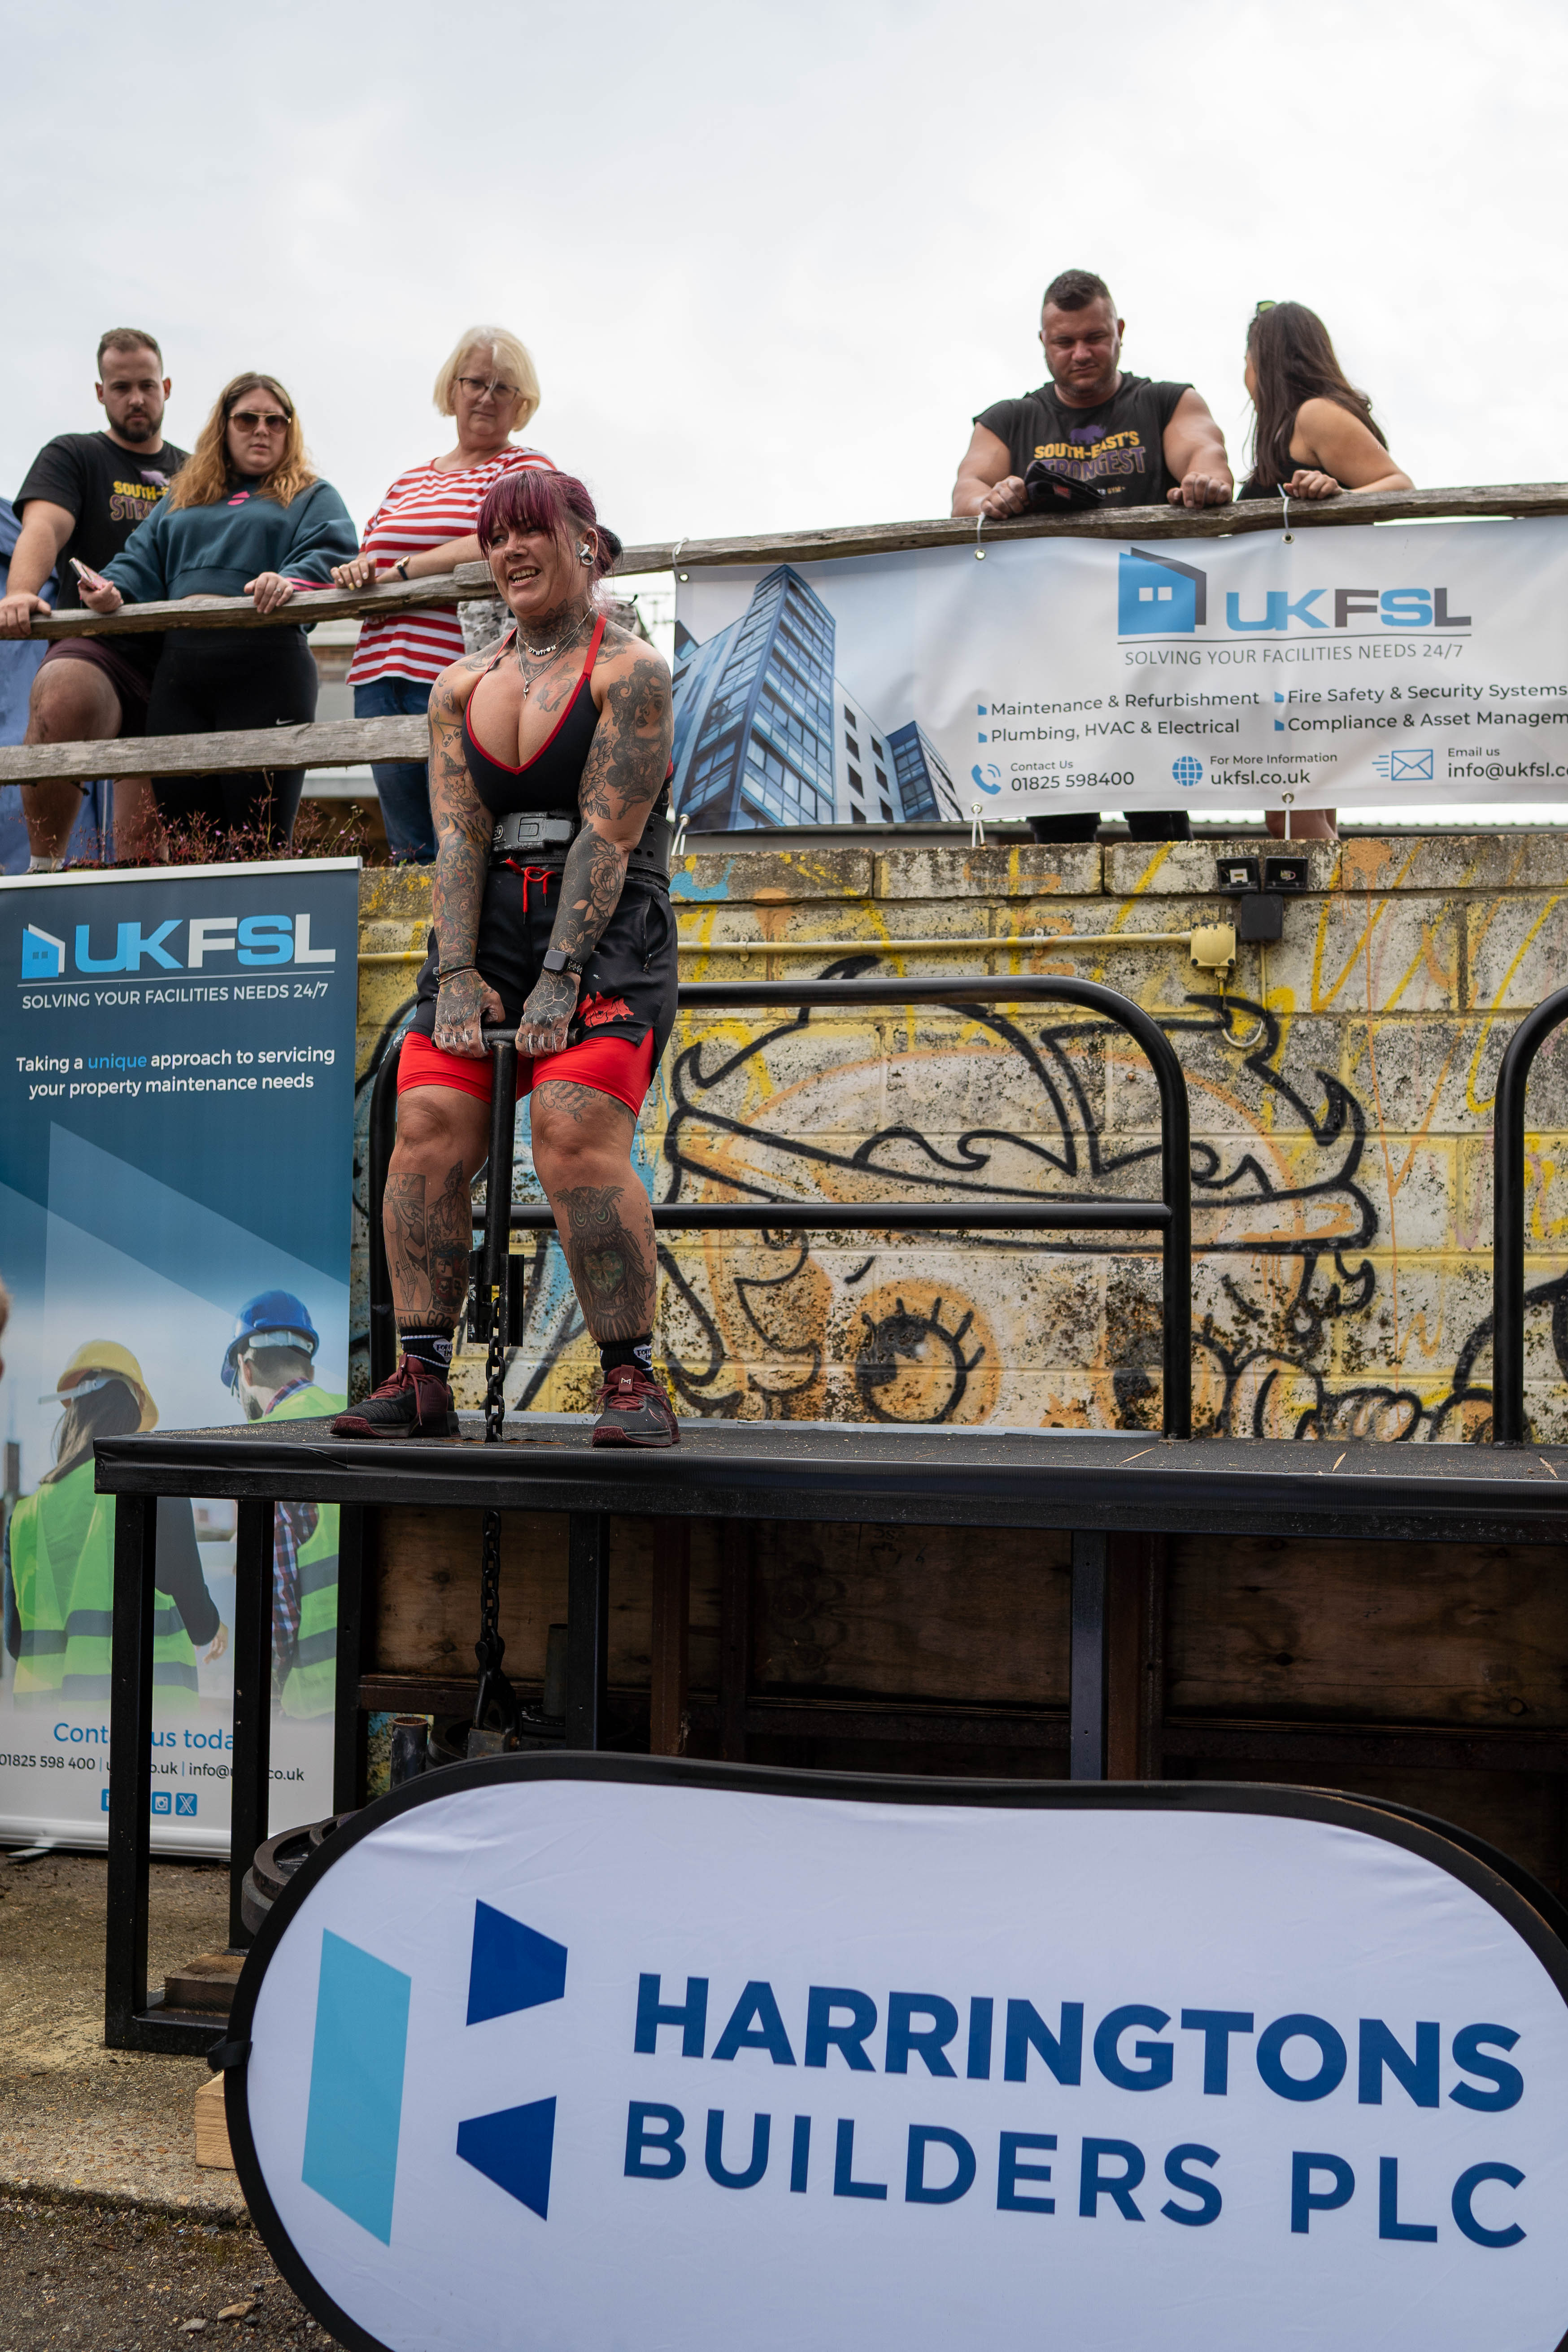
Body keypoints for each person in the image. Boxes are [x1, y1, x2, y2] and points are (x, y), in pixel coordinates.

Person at [332, 470, 679, 1450]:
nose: (511, 551)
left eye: (532, 531)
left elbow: (609, 836)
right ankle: (420, 1376)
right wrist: (454, 973)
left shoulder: (631, 671)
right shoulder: (459, 685)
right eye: (495, 537)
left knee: (570, 1130)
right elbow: (457, 837)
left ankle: (632, 1379)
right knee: (424, 1128)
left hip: (607, 924)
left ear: (586, 545)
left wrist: (561, 976)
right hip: (486, 924)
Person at [952, 269, 1234, 844]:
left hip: (1148, 642)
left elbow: (1205, 456)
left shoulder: (1165, 402)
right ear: (1043, 342)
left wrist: (1203, 480)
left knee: (1160, 826)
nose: (1080, 353)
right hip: (1049, 648)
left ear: (1119, 331)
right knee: (1060, 830)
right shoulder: (1008, 419)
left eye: (1095, 338)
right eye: (1064, 342)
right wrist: (993, 499)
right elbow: (965, 495)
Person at [76, 372, 356, 849]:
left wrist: (287, 580)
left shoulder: (312, 495)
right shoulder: (183, 496)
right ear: (223, 426)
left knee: (259, 844)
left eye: (275, 421)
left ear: (289, 430)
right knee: (190, 843)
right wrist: (108, 589)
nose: (262, 430)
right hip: (180, 674)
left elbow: (332, 553)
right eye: (247, 419)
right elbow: (137, 561)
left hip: (267, 669)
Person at [331, 328, 555, 864]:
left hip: (467, 673)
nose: (486, 397)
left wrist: (407, 570)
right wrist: (360, 570)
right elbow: (372, 556)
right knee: (410, 845)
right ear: (452, 389)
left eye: (503, 387)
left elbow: (507, 535)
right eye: (475, 382)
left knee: (467, 838)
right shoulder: (406, 482)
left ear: (521, 403)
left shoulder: (525, 467)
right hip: (379, 673)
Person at [0, 330, 188, 870]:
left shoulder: (199, 471)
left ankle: (142, 896)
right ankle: (42, 870)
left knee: (142, 854)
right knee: (60, 695)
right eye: (122, 387)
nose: (136, 399)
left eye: (147, 385)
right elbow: (44, 526)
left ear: (167, 388)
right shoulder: (75, 454)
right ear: (101, 392)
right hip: (98, 646)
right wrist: (20, 591)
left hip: (177, 655)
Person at [1240, 301, 1414, 845]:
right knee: (1306, 803)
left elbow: (1398, 486)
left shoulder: (1314, 415)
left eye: (1246, 359)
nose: (1243, 374)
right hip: (1295, 634)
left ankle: (1341, 900)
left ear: (1267, 360)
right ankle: (1338, 895)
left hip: (1313, 636)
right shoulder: (1283, 432)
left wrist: (1338, 494)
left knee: (1289, 809)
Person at [2, 1343, 226, 1707]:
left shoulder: (25, 1517)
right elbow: (200, 1625)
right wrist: (218, 1626)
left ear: (73, 1414)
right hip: (146, 1723)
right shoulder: (158, 1496)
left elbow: (17, 1641)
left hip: (51, 1729)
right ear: (134, 1419)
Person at [221, 1292, 345, 1718]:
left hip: (310, 1704)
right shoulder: (355, 1416)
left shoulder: (263, 1447)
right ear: (309, 1368)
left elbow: (278, 1613)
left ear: (246, 1369)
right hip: (368, 1688)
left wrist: (266, 1696)